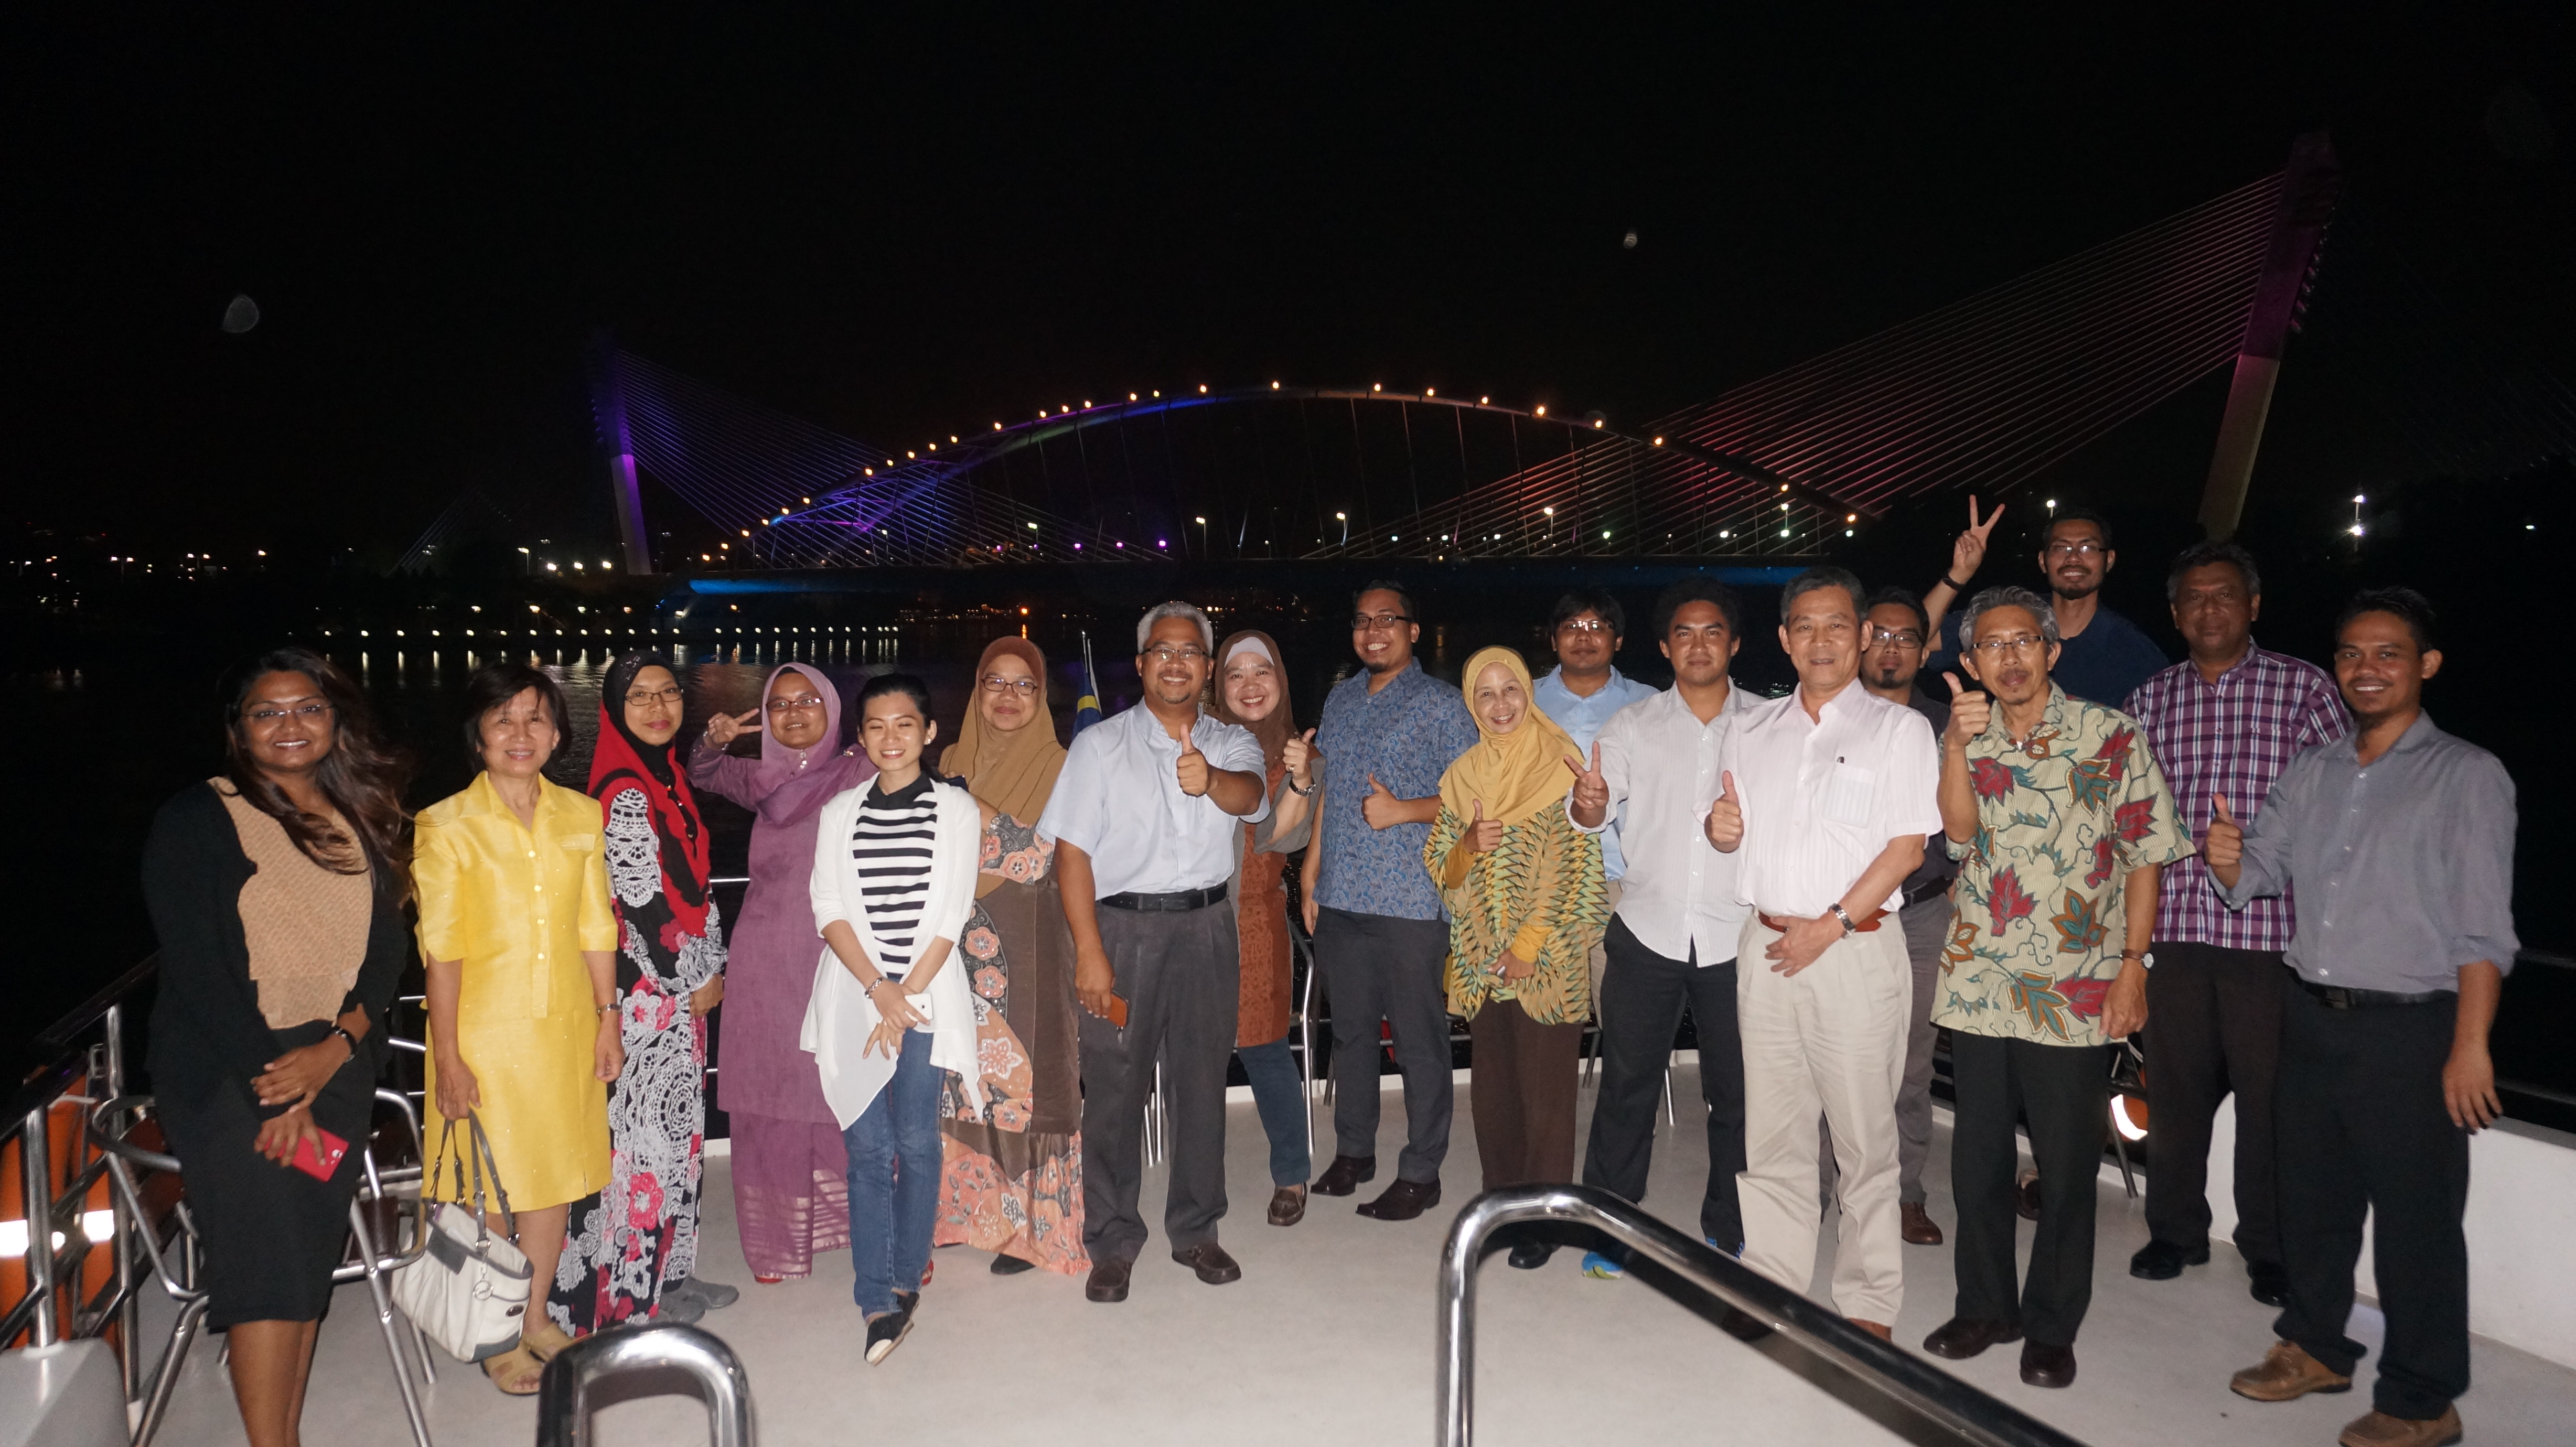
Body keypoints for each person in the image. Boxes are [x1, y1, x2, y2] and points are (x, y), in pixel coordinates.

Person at [2215, 589, 2515, 1447]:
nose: (2365, 669)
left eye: (2388, 653)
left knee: (2417, 1222)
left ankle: (2423, 1398)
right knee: (2311, 1202)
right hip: (2310, 1014)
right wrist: (2227, 858)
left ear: (2427, 665)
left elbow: (2482, 931)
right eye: (2351, 653)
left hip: (2411, 1030)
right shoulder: (2311, 771)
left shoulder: (2467, 775)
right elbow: (2258, 876)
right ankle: (2315, 1347)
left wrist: (2470, 1047)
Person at [143, 650, 411, 1447]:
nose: (290, 724)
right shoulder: (199, 818)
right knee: (266, 1265)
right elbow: (200, 970)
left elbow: (387, 951)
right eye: (268, 711)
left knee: (304, 1263)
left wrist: (338, 1047)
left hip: (333, 1067)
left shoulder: (358, 813)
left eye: (309, 708)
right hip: (235, 1074)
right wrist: (279, 1091)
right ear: (239, 730)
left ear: (336, 721)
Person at [1921, 586, 2186, 1389]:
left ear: (2051, 650)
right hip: (1981, 977)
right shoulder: (1966, 737)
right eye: (1991, 645)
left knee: (2067, 1169)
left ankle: (2051, 1324)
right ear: (1971, 662)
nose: (2009, 657)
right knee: (1977, 1160)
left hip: (2076, 985)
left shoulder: (2111, 736)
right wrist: (1956, 746)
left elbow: (2145, 856)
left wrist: (2134, 966)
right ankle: (1986, 1307)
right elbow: (1959, 835)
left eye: (2023, 641)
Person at [1709, 566, 1938, 1342]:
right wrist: (1718, 830)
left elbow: (1908, 850)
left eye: (1837, 624)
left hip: (1854, 950)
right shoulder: (1750, 729)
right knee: (1773, 1129)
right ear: (1784, 639)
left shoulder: (1899, 731)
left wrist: (1831, 924)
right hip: (1767, 944)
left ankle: (1869, 1300)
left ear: (1863, 634)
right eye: (1804, 626)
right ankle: (1773, 1278)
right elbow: (1727, 825)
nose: (1821, 640)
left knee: (1863, 1136)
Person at [2121, 542, 2348, 1304]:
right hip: (2174, 928)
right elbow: (2126, 815)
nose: (2209, 608)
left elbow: (2342, 806)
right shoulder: (2149, 699)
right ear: (2175, 613)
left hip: (2269, 935)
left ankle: (2269, 1248)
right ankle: (2175, 1233)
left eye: (2224, 594)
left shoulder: (2304, 689)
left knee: (2270, 1101)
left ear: (2253, 605)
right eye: (2193, 597)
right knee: (2174, 1093)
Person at [1038, 602, 1270, 1302]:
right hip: (1122, 930)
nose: (1175, 663)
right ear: (1141, 664)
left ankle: (1196, 1229)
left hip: (1207, 930)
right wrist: (1089, 952)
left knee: (1201, 1085)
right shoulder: (1099, 747)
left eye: (1189, 652)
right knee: (1114, 1089)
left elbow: (1252, 797)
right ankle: (1111, 1240)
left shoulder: (1230, 741)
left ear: (1207, 667)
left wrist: (1210, 779)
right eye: (1161, 651)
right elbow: (1071, 855)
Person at [415, 663, 622, 1394]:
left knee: (553, 1179)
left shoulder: (582, 815)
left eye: (535, 717)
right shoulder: (445, 824)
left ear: (558, 733)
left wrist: (608, 1018)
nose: (520, 733)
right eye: (502, 718)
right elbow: (442, 950)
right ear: (477, 736)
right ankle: (495, 1334)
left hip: (564, 1025)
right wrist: (449, 1056)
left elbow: (596, 924)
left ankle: (534, 1317)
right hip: (482, 1034)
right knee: (491, 1188)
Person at [1564, 577, 1754, 1282]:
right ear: (1665, 647)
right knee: (1627, 1085)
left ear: (1735, 643)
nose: (1697, 645)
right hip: (1647, 929)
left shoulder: (1768, 725)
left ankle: (1730, 1226)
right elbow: (1591, 811)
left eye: (1712, 632)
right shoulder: (1632, 725)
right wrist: (1588, 801)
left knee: (1738, 1093)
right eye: (1683, 633)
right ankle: (1612, 1226)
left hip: (1738, 936)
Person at [550, 653, 735, 1337]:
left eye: (667, 693)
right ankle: (630, 1296)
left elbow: (696, 883)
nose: (657, 708)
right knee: (642, 1147)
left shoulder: (667, 776)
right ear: (614, 711)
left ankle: (670, 1273)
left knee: (677, 1137)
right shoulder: (625, 789)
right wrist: (696, 975)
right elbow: (640, 901)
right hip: (644, 998)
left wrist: (708, 960)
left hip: (675, 993)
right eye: (639, 697)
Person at [806, 674, 985, 1365]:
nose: (890, 737)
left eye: (904, 724)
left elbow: (951, 914)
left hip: (927, 996)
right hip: (856, 995)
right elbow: (829, 907)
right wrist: (878, 990)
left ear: (928, 732)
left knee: (915, 1139)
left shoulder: (955, 808)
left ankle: (906, 1279)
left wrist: (903, 996)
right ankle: (875, 1298)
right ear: (860, 737)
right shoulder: (841, 811)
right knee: (867, 1149)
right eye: (876, 726)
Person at [690, 663, 875, 1282]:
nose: (794, 713)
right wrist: (713, 739)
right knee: (771, 1090)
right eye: (780, 704)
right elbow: (702, 772)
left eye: (808, 701)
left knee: (852, 1085)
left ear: (833, 709)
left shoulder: (860, 769)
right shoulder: (758, 777)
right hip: (768, 953)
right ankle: (778, 1242)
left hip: (845, 952)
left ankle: (879, 1230)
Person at [1427, 646, 1605, 1269]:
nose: (1500, 704)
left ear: (1528, 693)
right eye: (1485, 693)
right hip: (1482, 958)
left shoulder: (1559, 765)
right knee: (1495, 1094)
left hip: (1546, 961)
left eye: (1510, 689)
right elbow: (1441, 869)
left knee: (1546, 1098)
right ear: (1471, 703)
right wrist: (1468, 845)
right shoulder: (1462, 775)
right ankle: (1500, 1208)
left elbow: (1574, 868)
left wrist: (1528, 948)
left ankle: (1545, 1221)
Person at [1306, 581, 1478, 1221]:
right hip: (1340, 895)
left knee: (1417, 1041)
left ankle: (1421, 1171)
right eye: (1362, 620)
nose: (1372, 630)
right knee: (1351, 1035)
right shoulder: (1340, 698)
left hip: (1410, 898)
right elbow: (1329, 793)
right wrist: (1310, 874)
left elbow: (1473, 800)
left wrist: (1403, 810)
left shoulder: (1443, 706)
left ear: (1412, 630)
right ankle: (1354, 1152)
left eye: (1387, 619)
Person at [933, 638, 1089, 1276]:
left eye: (1024, 685)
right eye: (994, 682)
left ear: (1041, 697)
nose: (1007, 696)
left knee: (1027, 1083)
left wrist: (972, 806)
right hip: (952, 948)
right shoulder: (949, 759)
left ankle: (1028, 1230)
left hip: (1029, 944)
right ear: (976, 691)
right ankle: (965, 1213)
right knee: (960, 1080)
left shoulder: (1064, 767)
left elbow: (1037, 857)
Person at [1854, 587, 1956, 1247]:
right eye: (1880, 636)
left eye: (1907, 638)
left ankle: (1904, 1194)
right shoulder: (1827, 717)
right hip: (1840, 916)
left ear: (1925, 650)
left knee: (1911, 1064)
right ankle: (1826, 1187)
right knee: (1831, 1056)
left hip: (1920, 914)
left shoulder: (1946, 726)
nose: (1891, 649)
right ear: (1860, 642)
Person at [1209, 630, 1321, 1227]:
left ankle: (1292, 1174)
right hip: (1189, 917)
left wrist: (1299, 782)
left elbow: (1281, 839)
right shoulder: (1198, 744)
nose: (1250, 685)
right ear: (1218, 685)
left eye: (1262, 672)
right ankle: (1198, 1182)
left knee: (1264, 1048)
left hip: (1254, 917)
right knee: (1196, 1056)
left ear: (1280, 680)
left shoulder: (1304, 758)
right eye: (1235, 674)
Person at [1529, 589, 1659, 992]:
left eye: (1597, 626)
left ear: (1617, 640)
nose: (1583, 636)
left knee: (1622, 1011)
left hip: (1622, 887)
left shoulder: (1650, 704)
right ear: (1553, 639)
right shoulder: (1520, 701)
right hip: (1540, 885)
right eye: (1571, 626)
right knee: (1548, 1012)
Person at [1926, 497, 2168, 706]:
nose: (2074, 558)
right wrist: (1960, 573)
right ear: (2043, 561)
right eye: (2061, 548)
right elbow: (1919, 639)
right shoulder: (2010, 617)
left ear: (2110, 560)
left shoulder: (2134, 653)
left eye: (2088, 548)